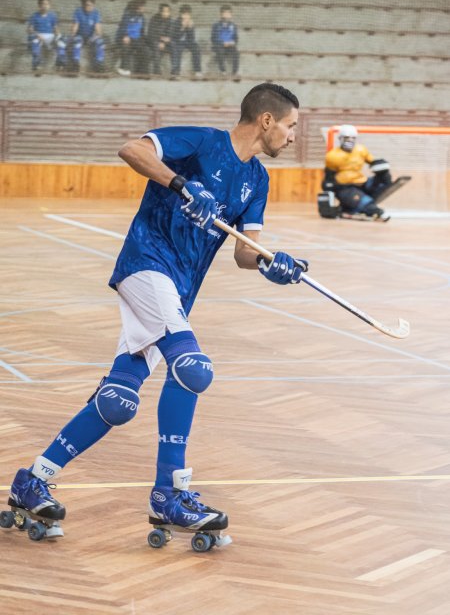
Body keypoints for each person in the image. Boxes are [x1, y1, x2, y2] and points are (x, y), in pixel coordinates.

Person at [6, 82, 309, 541]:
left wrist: (274, 266)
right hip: (146, 265)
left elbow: (246, 252)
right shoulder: (202, 143)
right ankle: (170, 492)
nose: (291, 137)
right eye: (289, 126)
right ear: (266, 120)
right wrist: (181, 183)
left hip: (178, 290)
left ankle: (34, 479)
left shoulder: (258, 180)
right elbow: (133, 149)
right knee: (193, 368)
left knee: (118, 401)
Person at [321, 124, 392, 221]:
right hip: (345, 187)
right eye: (346, 138)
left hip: (362, 183)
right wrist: (330, 188)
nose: (350, 140)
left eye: (352, 138)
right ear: (340, 138)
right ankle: (371, 208)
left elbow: (373, 162)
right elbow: (329, 176)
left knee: (384, 176)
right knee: (364, 203)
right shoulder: (332, 155)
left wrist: (382, 166)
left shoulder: (361, 149)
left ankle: (356, 205)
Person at [27, 0, 66, 75]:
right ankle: (37, 66)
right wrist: (37, 34)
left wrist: (58, 36)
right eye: (43, 4)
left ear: (49, 5)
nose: (45, 6)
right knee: (34, 41)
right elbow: (29, 29)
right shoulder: (34, 16)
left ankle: (60, 64)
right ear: (39, 5)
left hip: (49, 36)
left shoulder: (52, 16)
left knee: (62, 40)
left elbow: (55, 28)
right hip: (39, 35)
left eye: (47, 4)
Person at [68, 0, 106, 74]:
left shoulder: (96, 12)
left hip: (90, 37)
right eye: (87, 5)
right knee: (76, 41)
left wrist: (99, 36)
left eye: (91, 5)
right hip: (80, 36)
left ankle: (99, 64)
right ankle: (75, 64)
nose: (89, 7)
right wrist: (72, 35)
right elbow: (76, 25)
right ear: (83, 5)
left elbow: (97, 26)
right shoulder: (78, 12)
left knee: (100, 42)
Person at [116, 0, 150, 77]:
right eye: (143, 6)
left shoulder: (142, 17)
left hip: (136, 39)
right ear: (138, 7)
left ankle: (142, 73)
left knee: (146, 51)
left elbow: (141, 31)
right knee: (126, 46)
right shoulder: (127, 15)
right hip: (126, 38)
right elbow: (123, 27)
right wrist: (125, 35)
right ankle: (123, 68)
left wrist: (144, 41)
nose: (144, 8)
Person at [171, 5, 202, 80]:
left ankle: (198, 71)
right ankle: (176, 72)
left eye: (188, 14)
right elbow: (175, 37)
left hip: (188, 42)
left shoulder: (191, 22)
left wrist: (190, 28)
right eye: (184, 14)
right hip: (178, 42)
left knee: (196, 48)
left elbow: (192, 38)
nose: (186, 17)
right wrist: (182, 27)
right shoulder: (176, 22)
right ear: (181, 15)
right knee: (177, 50)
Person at [211, 5, 240, 80]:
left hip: (230, 46)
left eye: (228, 13)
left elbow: (236, 38)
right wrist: (222, 42)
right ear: (221, 14)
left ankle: (235, 72)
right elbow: (213, 38)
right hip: (219, 45)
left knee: (236, 52)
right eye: (225, 13)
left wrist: (233, 42)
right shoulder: (216, 25)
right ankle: (222, 71)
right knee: (219, 51)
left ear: (231, 15)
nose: (227, 15)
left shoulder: (233, 26)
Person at [147, 3, 174, 76]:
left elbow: (170, 34)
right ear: (160, 12)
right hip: (153, 40)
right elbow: (151, 33)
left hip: (165, 42)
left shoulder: (170, 20)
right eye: (164, 11)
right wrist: (160, 40)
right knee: (156, 47)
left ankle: (175, 71)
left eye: (168, 11)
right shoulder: (154, 19)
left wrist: (164, 41)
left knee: (174, 46)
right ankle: (156, 71)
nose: (166, 13)